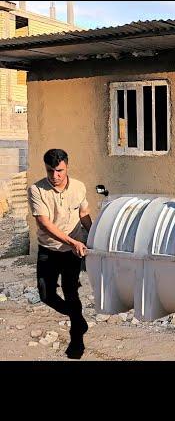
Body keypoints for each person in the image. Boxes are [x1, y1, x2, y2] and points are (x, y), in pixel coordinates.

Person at [27, 149, 92, 359]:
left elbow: (84, 215)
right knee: (46, 295)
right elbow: (44, 223)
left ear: (66, 167)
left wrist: (93, 236)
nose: (54, 176)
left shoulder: (79, 187)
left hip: (72, 253)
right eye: (50, 171)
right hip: (49, 250)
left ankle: (76, 341)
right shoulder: (36, 189)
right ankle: (78, 319)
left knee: (71, 292)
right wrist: (72, 241)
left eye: (59, 171)